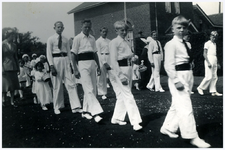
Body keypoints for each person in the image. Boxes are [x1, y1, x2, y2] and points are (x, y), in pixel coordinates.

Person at [160, 15, 211, 148]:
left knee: (177, 104)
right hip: (178, 76)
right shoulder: (170, 44)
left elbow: (187, 60)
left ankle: (167, 127)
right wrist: (176, 80)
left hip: (188, 75)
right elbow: (168, 65)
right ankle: (192, 136)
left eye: (184, 28)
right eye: (179, 28)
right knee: (186, 107)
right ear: (173, 29)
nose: (182, 30)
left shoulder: (186, 43)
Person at [108, 20, 142, 131]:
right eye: (121, 30)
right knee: (128, 94)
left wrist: (134, 58)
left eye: (125, 30)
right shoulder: (114, 42)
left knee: (123, 95)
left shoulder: (126, 42)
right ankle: (135, 121)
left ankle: (117, 118)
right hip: (120, 70)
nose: (124, 32)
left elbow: (127, 56)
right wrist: (120, 75)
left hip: (129, 68)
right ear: (116, 31)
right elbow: (113, 60)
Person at [46, 21, 82, 115]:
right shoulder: (50, 39)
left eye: (61, 27)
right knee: (57, 85)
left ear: (63, 28)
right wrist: (51, 66)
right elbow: (49, 54)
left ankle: (76, 106)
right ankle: (57, 107)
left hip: (65, 60)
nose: (60, 28)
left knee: (71, 83)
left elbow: (69, 53)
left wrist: (71, 64)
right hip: (56, 60)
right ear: (54, 28)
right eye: (58, 27)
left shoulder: (66, 39)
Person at [71, 19, 103, 123]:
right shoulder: (77, 38)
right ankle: (96, 113)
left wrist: (98, 66)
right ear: (81, 27)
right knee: (88, 88)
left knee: (92, 89)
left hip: (92, 64)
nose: (87, 29)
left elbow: (95, 53)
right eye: (85, 27)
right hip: (82, 64)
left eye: (89, 27)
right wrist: (75, 69)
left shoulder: (93, 38)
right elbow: (73, 54)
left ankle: (85, 111)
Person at [197, 31, 222, 96]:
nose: (214, 38)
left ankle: (213, 91)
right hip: (209, 59)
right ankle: (200, 87)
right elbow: (204, 53)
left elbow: (215, 54)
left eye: (215, 37)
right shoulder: (207, 43)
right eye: (213, 36)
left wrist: (218, 63)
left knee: (214, 76)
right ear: (210, 36)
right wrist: (208, 62)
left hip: (214, 59)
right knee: (208, 76)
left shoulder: (215, 44)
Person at [2, 27, 20, 107]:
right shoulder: (2, 44)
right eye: (12, 36)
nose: (13, 37)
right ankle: (3, 100)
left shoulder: (14, 45)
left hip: (13, 66)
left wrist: (18, 67)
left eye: (14, 36)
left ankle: (12, 101)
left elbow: (16, 56)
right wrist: (1, 68)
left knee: (13, 85)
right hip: (5, 66)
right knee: (5, 85)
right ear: (7, 35)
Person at [96, 27, 111, 100]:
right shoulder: (98, 41)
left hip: (109, 57)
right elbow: (98, 53)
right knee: (102, 77)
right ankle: (103, 93)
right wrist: (104, 62)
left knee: (113, 75)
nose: (104, 33)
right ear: (100, 32)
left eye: (106, 32)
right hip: (101, 57)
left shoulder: (109, 41)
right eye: (103, 32)